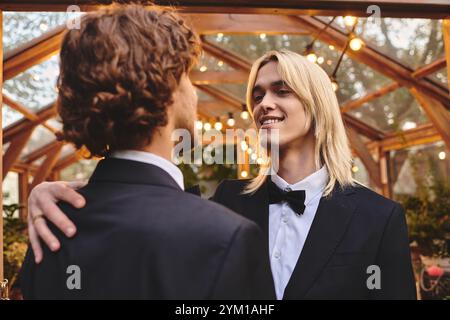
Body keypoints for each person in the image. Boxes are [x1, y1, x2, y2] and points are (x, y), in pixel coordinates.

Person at [25, 50, 416, 299]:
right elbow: (140, 208)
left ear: (317, 104)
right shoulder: (227, 200)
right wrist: (48, 192)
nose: (265, 104)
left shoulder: (379, 218)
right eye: (258, 95)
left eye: (282, 90)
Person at [19, 4, 274, 300]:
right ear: (168, 89)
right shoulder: (228, 238)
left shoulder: (49, 230)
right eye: (188, 75)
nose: (194, 92)